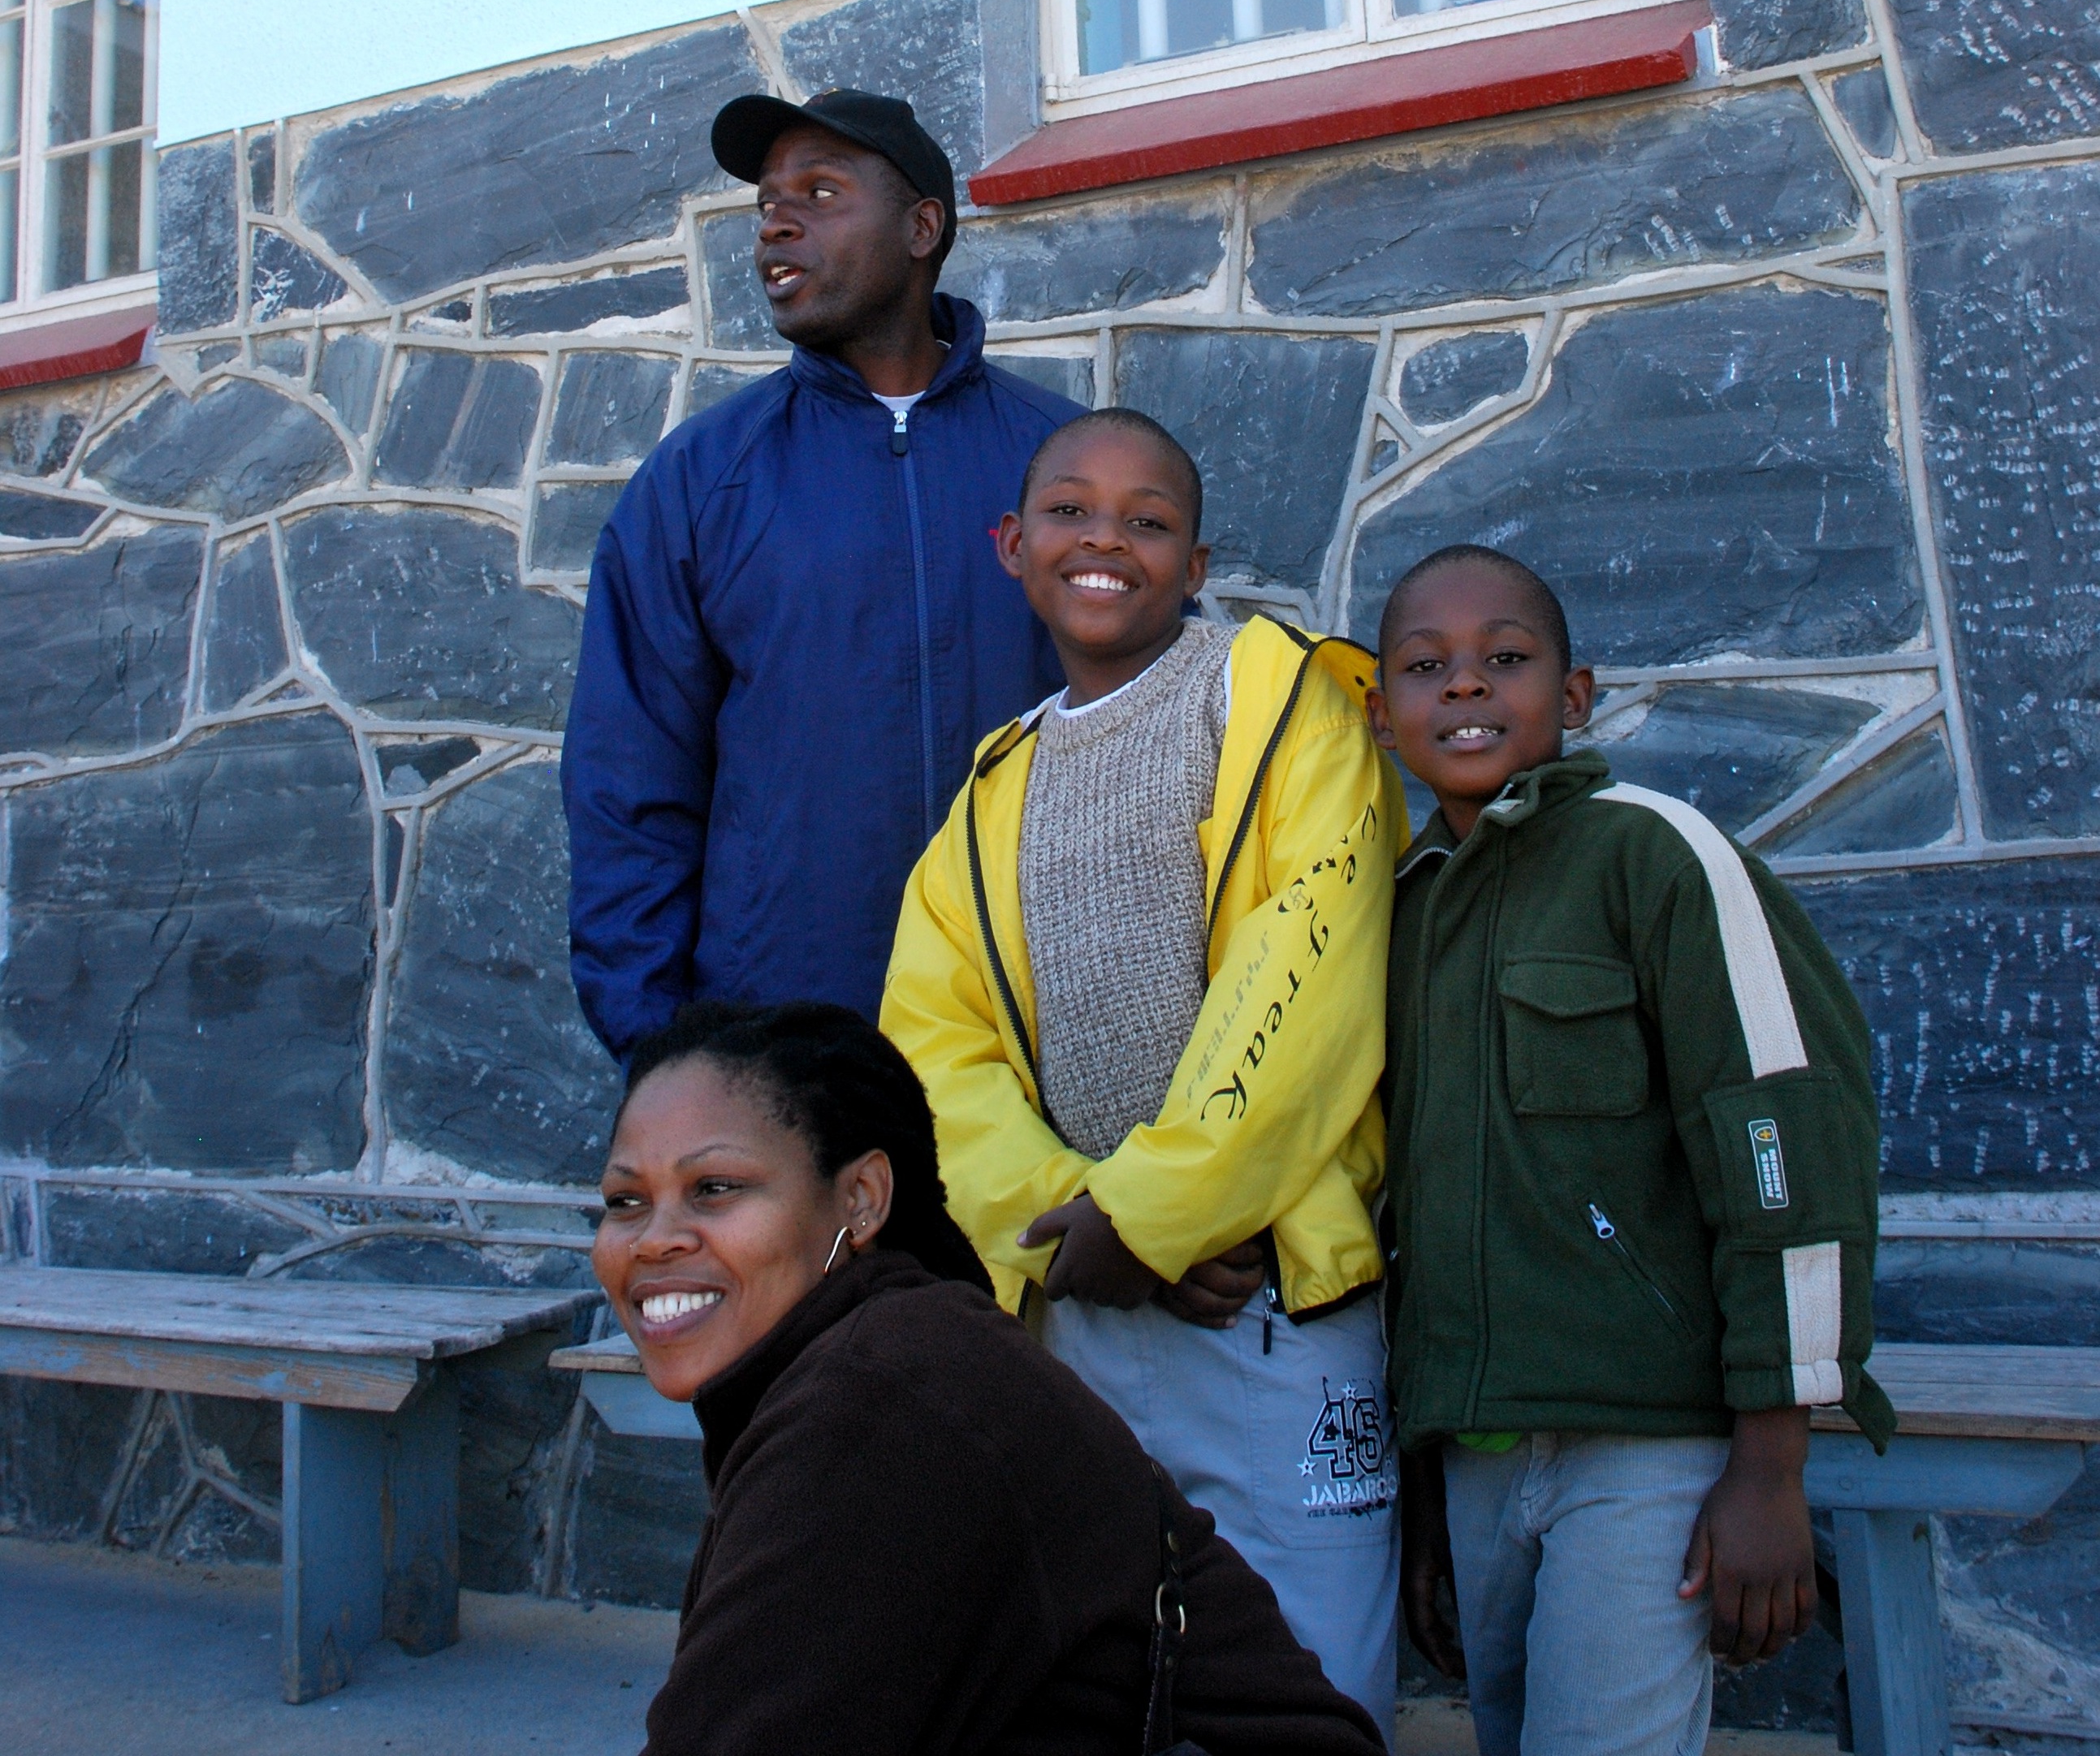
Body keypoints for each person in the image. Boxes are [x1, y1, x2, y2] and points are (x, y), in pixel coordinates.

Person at [882, 408, 1404, 1739]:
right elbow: (935, 1050)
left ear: (1194, 559)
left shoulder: (1281, 701)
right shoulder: (993, 792)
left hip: (1263, 1299)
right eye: (1068, 510)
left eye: (1148, 520)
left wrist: (1156, 1217)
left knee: (1305, 1687)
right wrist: (1072, 1229)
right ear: (1013, 545)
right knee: (1105, 1675)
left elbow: (1310, 972)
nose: (1104, 536)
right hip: (1083, 1307)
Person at [1364, 543, 1891, 1756]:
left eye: (1505, 659)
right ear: (1383, 716)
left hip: (1653, 1448)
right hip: (1480, 1459)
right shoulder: (1397, 911)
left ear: (1578, 692)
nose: (1463, 688)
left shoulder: (1653, 856)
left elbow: (1782, 1135)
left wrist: (1769, 1461)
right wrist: (1427, 1480)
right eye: (1424, 667)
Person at [594, 995, 1387, 1756]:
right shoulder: (883, 1353)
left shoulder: (877, 1405)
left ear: (862, 1200)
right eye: (625, 1201)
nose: (654, 1240)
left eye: (716, 1189)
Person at [564, 88, 1081, 1055]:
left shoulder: (1066, 462)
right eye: (766, 205)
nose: (776, 226)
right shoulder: (699, 481)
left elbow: (1165, 730)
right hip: (793, 1054)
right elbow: (627, 789)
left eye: (820, 191)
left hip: (1039, 1039)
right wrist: (660, 1051)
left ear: (922, 226)